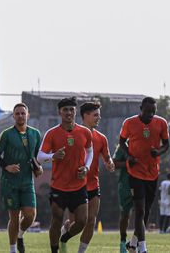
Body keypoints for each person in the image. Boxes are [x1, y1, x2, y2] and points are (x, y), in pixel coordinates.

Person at [37, 97, 93, 253]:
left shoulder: (84, 132)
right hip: (58, 186)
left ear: (75, 111)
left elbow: (90, 151)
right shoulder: (52, 133)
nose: (69, 112)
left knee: (82, 221)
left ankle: (64, 238)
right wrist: (53, 155)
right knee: (56, 219)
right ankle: (54, 251)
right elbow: (40, 156)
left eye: (71, 109)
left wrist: (86, 167)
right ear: (59, 112)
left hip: (79, 185)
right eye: (65, 110)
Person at [60, 100, 113, 253]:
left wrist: (110, 164)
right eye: (96, 115)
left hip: (93, 185)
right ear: (85, 116)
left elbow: (107, 157)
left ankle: (81, 252)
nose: (99, 118)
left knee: (91, 221)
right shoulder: (74, 134)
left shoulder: (102, 138)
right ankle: (65, 232)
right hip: (75, 185)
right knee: (76, 222)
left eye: (99, 115)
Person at [119, 97, 169, 253]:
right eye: (147, 112)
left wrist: (158, 151)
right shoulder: (129, 123)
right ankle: (142, 248)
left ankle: (132, 243)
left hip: (152, 173)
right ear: (141, 108)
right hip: (135, 173)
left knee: (146, 212)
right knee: (139, 210)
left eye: (153, 112)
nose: (150, 115)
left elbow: (166, 144)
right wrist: (128, 156)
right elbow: (122, 141)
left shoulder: (161, 123)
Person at [0, 103, 43, 253]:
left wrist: (38, 168)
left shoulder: (35, 134)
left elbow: (35, 157)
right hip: (10, 182)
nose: (20, 116)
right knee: (14, 218)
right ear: (13, 116)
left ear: (28, 115)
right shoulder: (6, 134)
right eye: (17, 113)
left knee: (30, 215)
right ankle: (13, 249)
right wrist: (6, 166)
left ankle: (20, 235)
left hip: (27, 182)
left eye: (23, 113)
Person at [112, 143, 137, 253]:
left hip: (142, 182)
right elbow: (114, 163)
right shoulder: (123, 146)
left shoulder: (145, 141)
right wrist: (127, 163)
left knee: (142, 213)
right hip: (126, 184)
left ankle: (135, 243)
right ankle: (123, 242)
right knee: (125, 214)